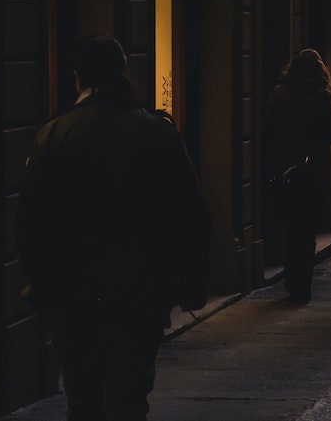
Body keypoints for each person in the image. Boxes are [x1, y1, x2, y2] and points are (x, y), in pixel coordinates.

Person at [19, 34, 211, 420]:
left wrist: (40, 284)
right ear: (124, 74)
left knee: (82, 399)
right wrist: (193, 283)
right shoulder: (157, 131)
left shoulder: (53, 135)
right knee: (128, 398)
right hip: (139, 293)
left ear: (78, 79)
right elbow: (191, 213)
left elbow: (31, 223)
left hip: (72, 295)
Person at [264, 48, 331, 302]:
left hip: (285, 169)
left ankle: (291, 282)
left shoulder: (278, 94)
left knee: (290, 227)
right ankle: (302, 288)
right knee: (307, 232)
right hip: (313, 172)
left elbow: (268, 129)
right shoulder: (323, 97)